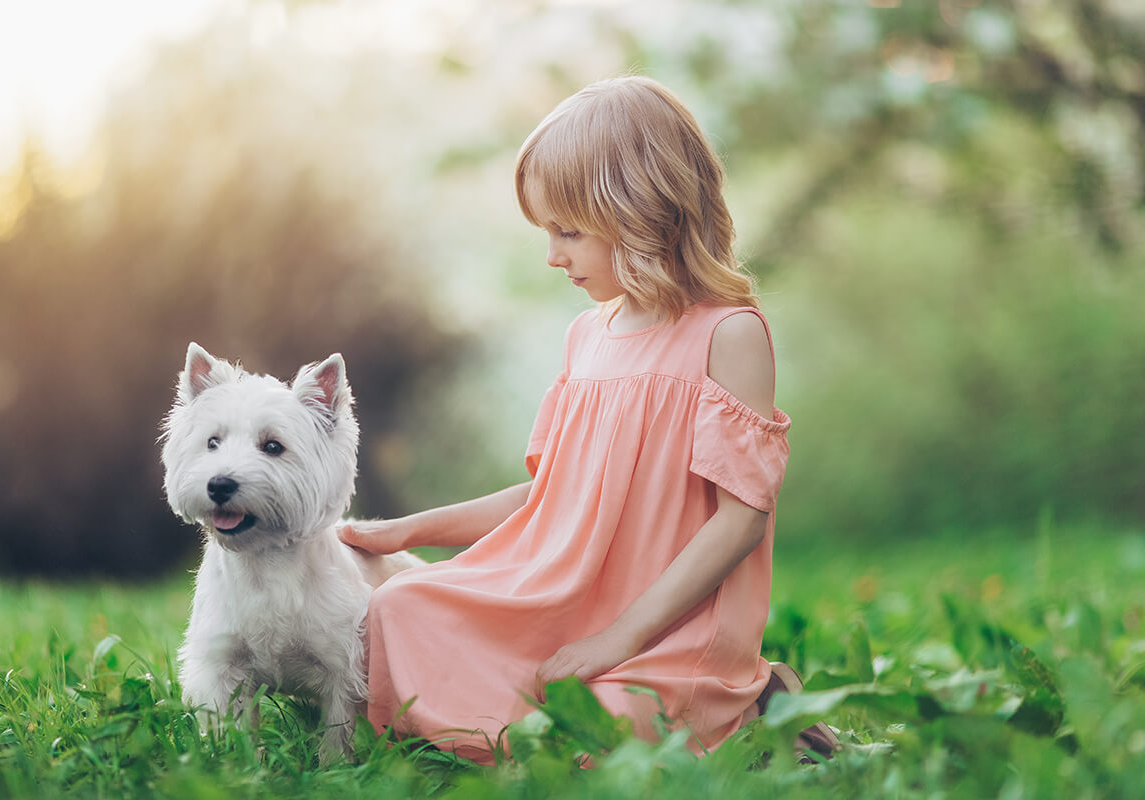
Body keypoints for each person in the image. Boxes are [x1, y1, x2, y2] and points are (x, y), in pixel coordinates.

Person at [339, 75, 836, 764]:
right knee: (404, 607)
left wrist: (620, 638)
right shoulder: (587, 337)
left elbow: (740, 519)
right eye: (547, 232)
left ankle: (748, 706)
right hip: (568, 602)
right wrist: (406, 531)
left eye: (568, 232)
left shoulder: (730, 335)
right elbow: (551, 497)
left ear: (642, 215)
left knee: (593, 733)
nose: (552, 255)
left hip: (667, 631)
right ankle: (505, 721)